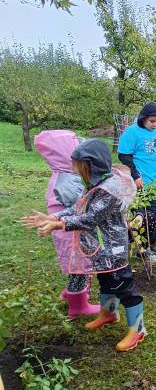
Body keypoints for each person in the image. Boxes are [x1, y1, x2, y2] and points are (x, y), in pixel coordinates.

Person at [21, 139, 145, 352]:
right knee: (106, 280)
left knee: (124, 287)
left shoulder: (109, 190)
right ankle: (109, 314)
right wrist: (52, 217)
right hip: (100, 247)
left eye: (79, 168)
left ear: (91, 166)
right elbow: (78, 208)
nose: (76, 172)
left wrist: (58, 224)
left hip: (113, 249)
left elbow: (89, 218)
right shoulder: (94, 185)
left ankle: (138, 330)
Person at [34, 130, 100, 319]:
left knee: (76, 267)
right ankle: (78, 305)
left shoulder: (61, 175)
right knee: (79, 267)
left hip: (64, 229)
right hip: (71, 232)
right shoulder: (70, 180)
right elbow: (80, 207)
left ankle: (71, 294)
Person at [118, 102, 156, 256]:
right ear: (143, 118)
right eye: (152, 121)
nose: (155, 124)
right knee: (154, 211)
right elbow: (124, 156)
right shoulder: (132, 132)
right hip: (148, 180)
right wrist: (136, 176)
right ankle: (155, 242)